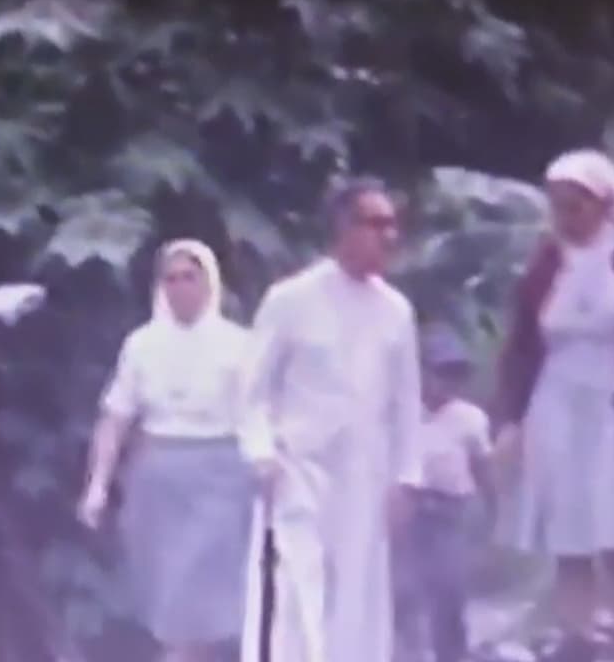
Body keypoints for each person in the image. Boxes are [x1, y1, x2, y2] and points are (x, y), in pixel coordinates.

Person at [494, 149, 614, 662]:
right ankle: (576, 631)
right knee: (567, 521)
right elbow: (523, 344)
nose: (565, 218)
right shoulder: (546, 262)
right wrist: (511, 418)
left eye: (575, 207)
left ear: (603, 204)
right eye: (558, 207)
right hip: (555, 397)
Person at [237, 176, 422, 662]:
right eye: (376, 224)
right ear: (344, 226)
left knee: (358, 593)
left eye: (392, 224)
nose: (389, 236)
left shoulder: (396, 312)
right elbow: (253, 391)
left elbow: (405, 403)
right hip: (297, 471)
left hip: (364, 476)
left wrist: (407, 478)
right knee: (297, 587)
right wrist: (261, 453)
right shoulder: (290, 300)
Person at [77, 239, 255, 662]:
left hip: (221, 479)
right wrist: (97, 486)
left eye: (189, 277)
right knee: (168, 592)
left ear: (209, 283)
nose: (180, 287)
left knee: (201, 589)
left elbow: (259, 418)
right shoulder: (141, 345)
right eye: (170, 279)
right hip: (157, 482)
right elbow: (115, 417)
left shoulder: (240, 345)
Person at [393, 324, 495, 662]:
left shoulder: (470, 419)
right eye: (441, 373)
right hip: (409, 507)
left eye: (455, 374)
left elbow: (482, 467)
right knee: (403, 587)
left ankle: (452, 653)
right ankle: (405, 651)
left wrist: (493, 507)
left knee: (448, 586)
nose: (448, 383)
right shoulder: (402, 413)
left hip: (449, 510)